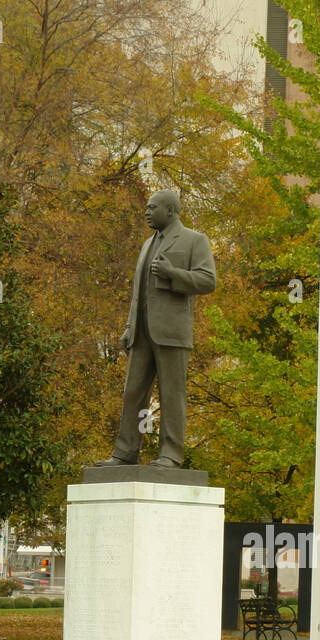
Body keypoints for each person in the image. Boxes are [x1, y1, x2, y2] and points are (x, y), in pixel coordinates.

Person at [96, 189, 216, 468]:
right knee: (133, 393)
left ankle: (171, 454)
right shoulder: (147, 244)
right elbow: (138, 292)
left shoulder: (194, 240)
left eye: (152, 208)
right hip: (141, 332)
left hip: (172, 333)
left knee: (172, 394)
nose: (147, 212)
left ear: (171, 210)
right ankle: (125, 452)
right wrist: (129, 326)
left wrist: (173, 274)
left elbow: (208, 281)